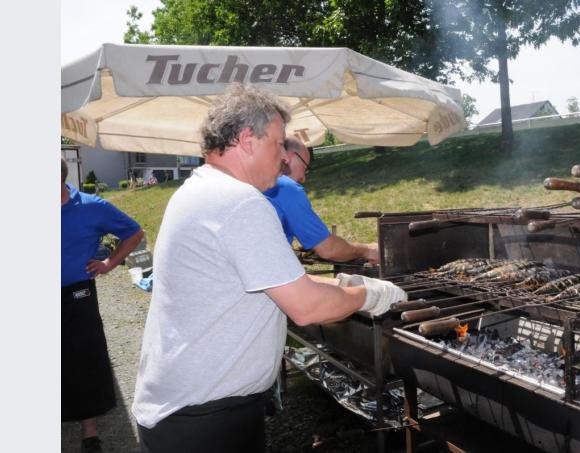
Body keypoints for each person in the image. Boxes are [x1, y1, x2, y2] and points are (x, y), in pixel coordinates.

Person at [132, 84, 406, 453]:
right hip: (205, 417)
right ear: (247, 139)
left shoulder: (200, 189)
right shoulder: (239, 202)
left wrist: (335, 284)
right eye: (278, 144)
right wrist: (372, 294)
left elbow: (266, 281)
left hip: (187, 406)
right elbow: (307, 308)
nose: (282, 158)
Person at [61, 158, 145, 453]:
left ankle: (89, 431)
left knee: (84, 359)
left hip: (76, 294)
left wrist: (109, 263)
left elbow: (134, 232)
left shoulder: (90, 206)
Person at [264, 137, 380, 264]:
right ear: (290, 157)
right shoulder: (286, 187)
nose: (303, 178)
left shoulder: (257, 181)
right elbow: (328, 250)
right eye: (305, 167)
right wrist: (367, 250)